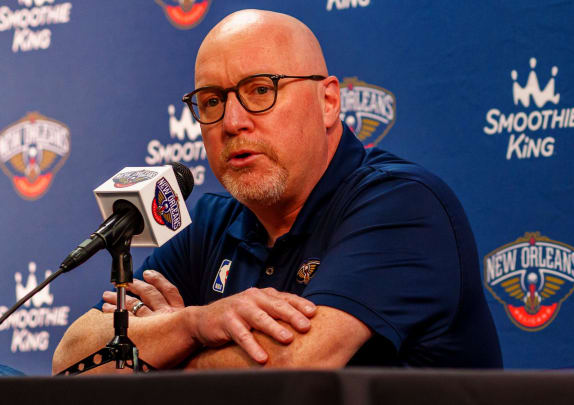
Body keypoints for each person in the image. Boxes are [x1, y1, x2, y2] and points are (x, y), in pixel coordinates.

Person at [52, 9, 502, 373]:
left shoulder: (402, 203)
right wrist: (194, 323)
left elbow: (294, 366)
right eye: (211, 101)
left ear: (328, 102)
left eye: (261, 90)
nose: (232, 122)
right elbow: (71, 361)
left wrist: (160, 356)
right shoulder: (211, 223)